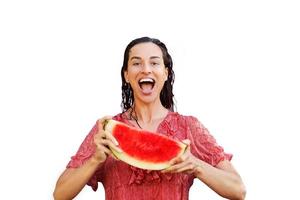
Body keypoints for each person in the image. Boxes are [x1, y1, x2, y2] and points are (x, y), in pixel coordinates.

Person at [53, 37, 246, 200]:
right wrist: (95, 160)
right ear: (127, 75)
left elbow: (238, 190)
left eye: (154, 63)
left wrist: (196, 165)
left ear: (165, 74)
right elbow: (60, 194)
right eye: (136, 63)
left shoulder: (188, 127)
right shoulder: (107, 131)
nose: (146, 69)